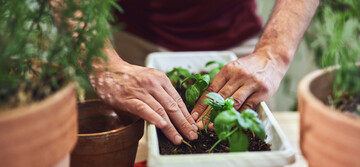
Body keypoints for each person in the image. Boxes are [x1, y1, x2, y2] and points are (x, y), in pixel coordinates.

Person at [91, 0, 319, 145]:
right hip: (134, 40)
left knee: (252, 132)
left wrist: (274, 54)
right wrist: (103, 64)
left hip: (239, 43)